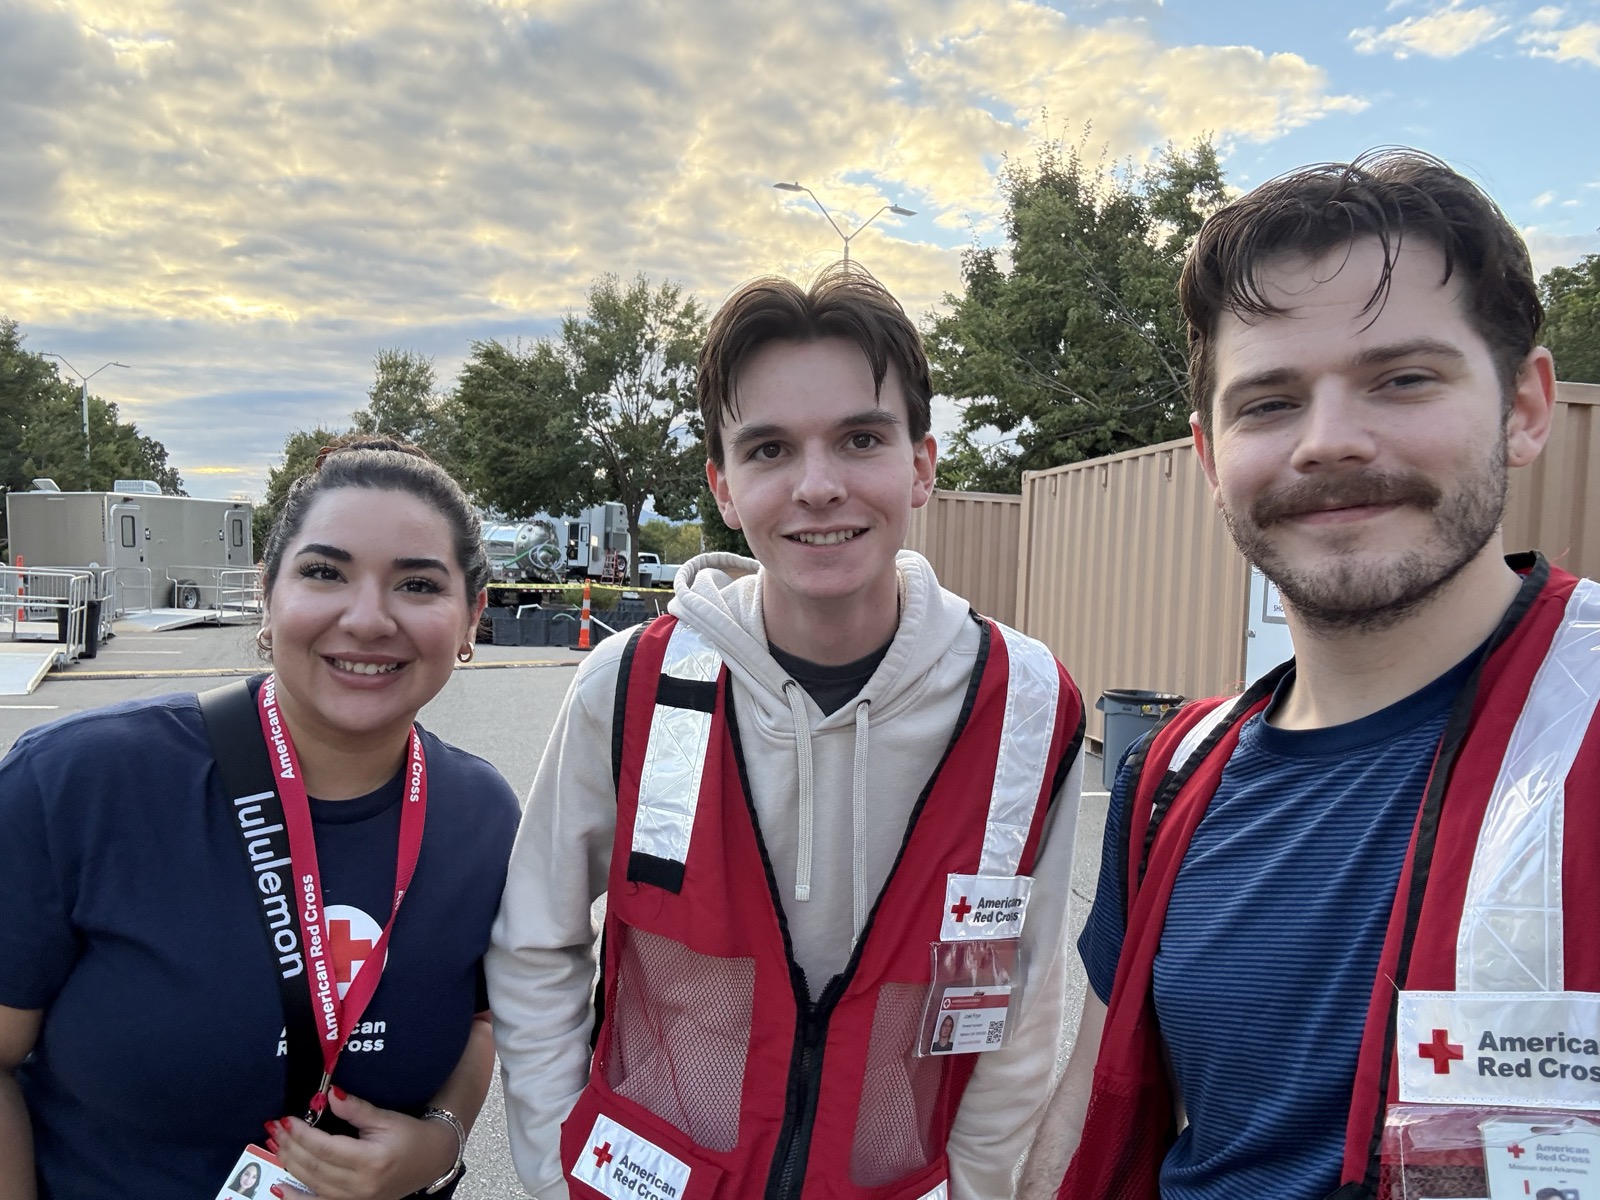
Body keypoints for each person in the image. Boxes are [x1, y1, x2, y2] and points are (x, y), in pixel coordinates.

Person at [1020, 149, 1599, 1200]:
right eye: (1270, 403)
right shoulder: (1170, 782)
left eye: (1403, 379)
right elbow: (1090, 1110)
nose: (1328, 442)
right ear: (1208, 456)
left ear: (1524, 405)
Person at [489, 264, 1087, 1200]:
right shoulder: (631, 687)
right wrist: (556, 1165)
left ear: (922, 464)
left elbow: (1011, 1006)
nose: (817, 487)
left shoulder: (1025, 706)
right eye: (769, 449)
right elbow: (537, 942)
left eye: (859, 438)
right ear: (724, 487)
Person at [0, 436, 521, 1199]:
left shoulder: (480, 817)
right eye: (324, 573)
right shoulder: (77, 784)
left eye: (417, 585)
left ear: (471, 617)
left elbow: (480, 1019)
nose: (369, 618)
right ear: (267, 592)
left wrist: (439, 1140)